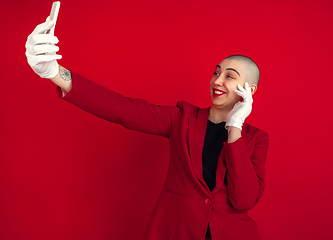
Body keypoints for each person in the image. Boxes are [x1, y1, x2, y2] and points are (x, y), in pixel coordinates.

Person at [25, 17, 269, 240]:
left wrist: (235, 127)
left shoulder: (256, 138)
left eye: (229, 76)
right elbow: (121, 108)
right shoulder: (181, 118)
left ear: (249, 89)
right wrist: (55, 73)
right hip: (175, 231)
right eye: (216, 72)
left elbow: (243, 200)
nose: (217, 80)